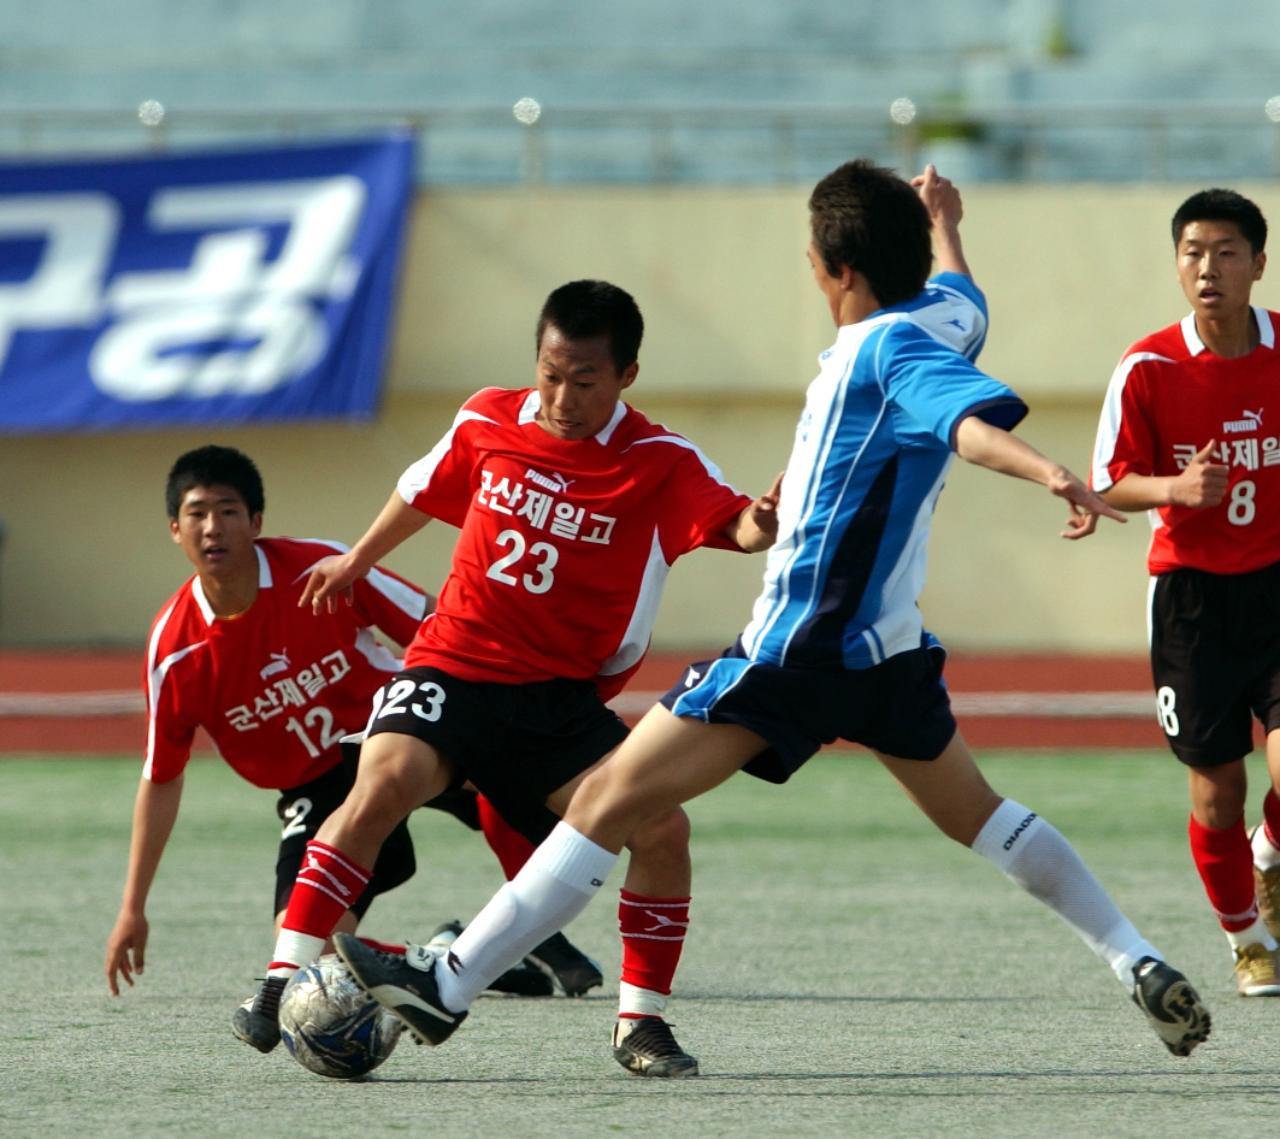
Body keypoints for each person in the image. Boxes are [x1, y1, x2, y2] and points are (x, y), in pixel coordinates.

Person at [333, 161, 1212, 1066]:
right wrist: (948, 223)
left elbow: (965, 425)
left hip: (796, 649)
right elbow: (969, 300)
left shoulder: (883, 351)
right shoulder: (939, 320)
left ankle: (447, 987)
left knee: (606, 800)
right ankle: (1135, 958)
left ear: (835, 271)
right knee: (981, 814)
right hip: (890, 651)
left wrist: (1051, 472)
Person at [235, 280, 782, 1077]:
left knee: (661, 829)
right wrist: (358, 558)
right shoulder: (489, 416)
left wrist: (760, 522)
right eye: (550, 372)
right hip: (452, 663)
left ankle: (642, 1024)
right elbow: (422, 488)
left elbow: (732, 521)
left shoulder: (660, 462)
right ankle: (281, 979)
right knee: (381, 784)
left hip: (560, 702)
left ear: (626, 374)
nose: (563, 397)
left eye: (585, 380)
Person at [104, 445, 601, 1040]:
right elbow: (161, 777)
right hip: (313, 785)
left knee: (511, 791)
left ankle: (538, 936)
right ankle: (448, 953)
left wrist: (492, 715)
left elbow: (435, 623)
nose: (214, 527)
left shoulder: (324, 567)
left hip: (402, 730)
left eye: (229, 510)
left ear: (256, 522)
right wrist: (133, 907)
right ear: (175, 530)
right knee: (304, 944)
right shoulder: (174, 652)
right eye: (198, 513)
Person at [1090, 187, 1280, 997]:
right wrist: (1174, 487)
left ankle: (1267, 855)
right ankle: (1248, 940)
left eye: (1227, 251)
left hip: (1277, 588)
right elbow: (1109, 483)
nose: (1209, 268)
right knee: (1218, 788)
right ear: (1178, 264)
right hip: (1193, 603)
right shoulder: (1148, 367)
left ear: (1258, 265)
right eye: (1194, 252)